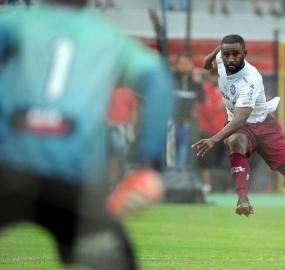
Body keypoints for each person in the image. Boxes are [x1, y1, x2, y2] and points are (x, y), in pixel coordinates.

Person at [0, 0, 174, 269]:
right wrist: (149, 165)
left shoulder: (14, 22)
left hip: (8, 169)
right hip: (72, 187)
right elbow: (159, 83)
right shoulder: (109, 37)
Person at [192, 34, 285, 220]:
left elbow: (240, 119)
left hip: (263, 125)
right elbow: (209, 63)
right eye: (226, 54)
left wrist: (214, 139)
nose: (231, 59)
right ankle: (242, 199)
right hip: (240, 127)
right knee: (237, 140)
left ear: (245, 53)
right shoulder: (221, 60)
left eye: (236, 54)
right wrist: (211, 56)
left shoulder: (250, 80)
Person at [195, 68, 227, 193]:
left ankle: (222, 186)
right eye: (214, 76)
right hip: (207, 131)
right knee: (207, 161)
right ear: (210, 77)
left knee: (223, 161)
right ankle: (206, 186)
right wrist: (219, 105)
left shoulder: (223, 91)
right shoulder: (204, 90)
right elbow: (207, 112)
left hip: (222, 131)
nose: (217, 79)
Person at [172, 54, 204, 168]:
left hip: (187, 122)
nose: (185, 66)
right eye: (182, 63)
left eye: (187, 63)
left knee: (184, 146)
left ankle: (181, 171)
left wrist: (198, 83)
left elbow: (202, 99)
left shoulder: (194, 82)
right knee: (170, 147)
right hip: (171, 121)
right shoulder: (171, 79)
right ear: (176, 65)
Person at [107, 85, 138, 184]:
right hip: (110, 127)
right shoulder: (108, 89)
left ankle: (116, 183)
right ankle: (111, 182)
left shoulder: (128, 91)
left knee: (120, 157)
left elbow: (133, 110)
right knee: (112, 157)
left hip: (123, 129)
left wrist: (132, 128)